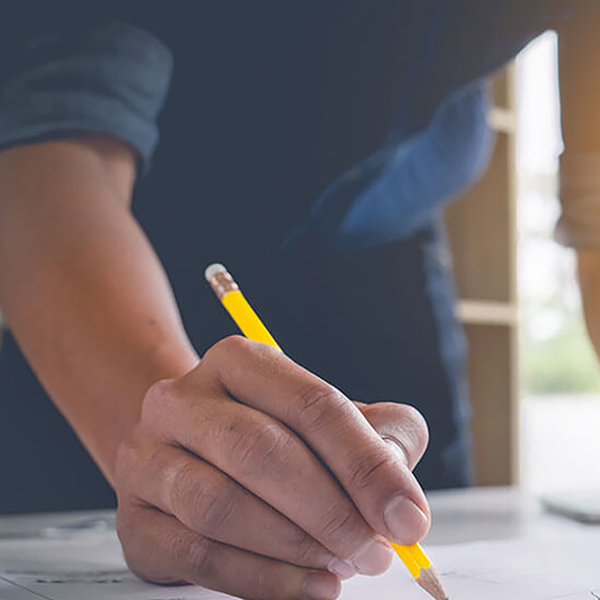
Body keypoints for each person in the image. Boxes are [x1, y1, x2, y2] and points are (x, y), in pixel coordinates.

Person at [0, 2, 598, 599]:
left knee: (395, 494)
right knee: (178, 519)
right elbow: (46, 154)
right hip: (115, 257)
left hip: (382, 251)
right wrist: (165, 444)